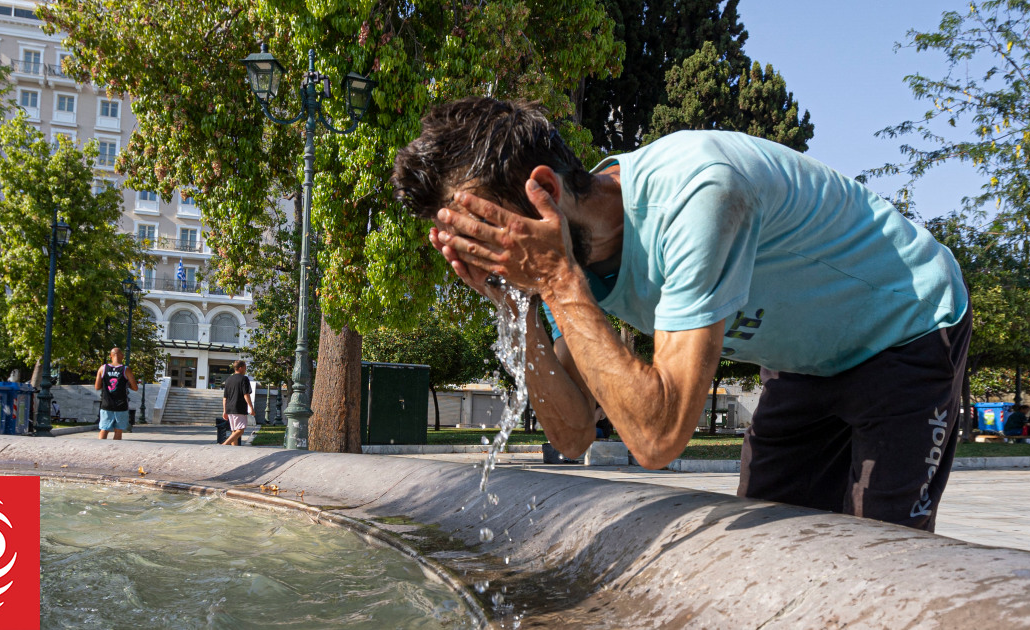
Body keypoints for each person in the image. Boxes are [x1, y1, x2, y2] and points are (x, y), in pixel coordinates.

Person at [392, 98, 971, 532]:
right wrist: (513, 305)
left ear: (545, 188)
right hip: (803, 364)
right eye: (474, 242)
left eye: (490, 231)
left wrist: (553, 280)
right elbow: (571, 434)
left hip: (906, 327)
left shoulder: (697, 194)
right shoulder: (572, 259)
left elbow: (659, 437)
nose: (492, 253)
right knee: (769, 550)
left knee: (882, 554)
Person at [94, 347, 138, 440]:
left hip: (106, 404)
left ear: (110, 356)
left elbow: (97, 387)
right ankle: (114, 451)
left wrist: (106, 384)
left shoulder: (103, 368)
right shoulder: (126, 369)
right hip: (121, 405)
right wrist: (127, 384)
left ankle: (99, 449)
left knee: (104, 429)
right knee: (118, 431)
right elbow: (135, 387)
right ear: (122, 356)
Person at [221, 360, 253, 446]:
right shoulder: (244, 379)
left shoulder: (228, 379)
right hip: (239, 408)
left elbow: (225, 398)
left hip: (229, 408)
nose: (245, 369)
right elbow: (246, 394)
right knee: (240, 430)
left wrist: (224, 411)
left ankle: (234, 450)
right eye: (245, 367)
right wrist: (251, 408)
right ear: (240, 368)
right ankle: (224, 444)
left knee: (234, 431)